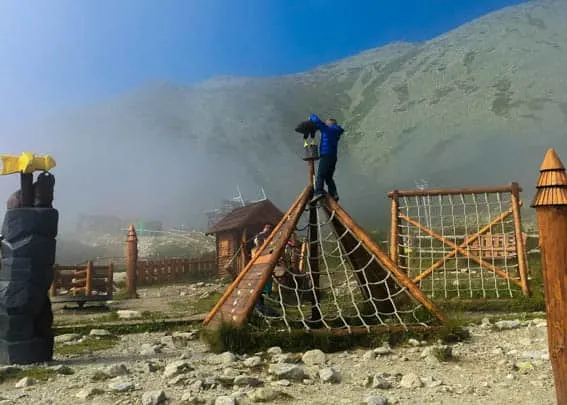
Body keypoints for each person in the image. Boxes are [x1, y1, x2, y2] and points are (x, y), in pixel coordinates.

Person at [308, 113, 344, 203]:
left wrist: (311, 116)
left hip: (326, 155)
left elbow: (318, 122)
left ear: (331, 124)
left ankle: (318, 193)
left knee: (320, 175)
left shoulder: (328, 130)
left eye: (327, 123)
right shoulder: (336, 132)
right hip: (333, 157)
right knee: (328, 177)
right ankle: (334, 194)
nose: (325, 124)